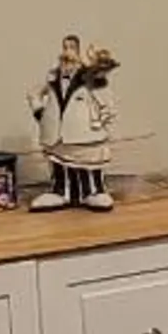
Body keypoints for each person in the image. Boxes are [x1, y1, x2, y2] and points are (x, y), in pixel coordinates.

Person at [29, 35, 119, 212]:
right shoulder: (53, 77)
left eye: (71, 48)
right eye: (64, 48)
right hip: (57, 133)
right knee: (59, 164)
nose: (66, 53)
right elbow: (35, 93)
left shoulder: (89, 77)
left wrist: (93, 61)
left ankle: (93, 192)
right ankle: (60, 192)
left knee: (87, 161)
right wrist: (40, 112)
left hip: (84, 132)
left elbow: (102, 73)